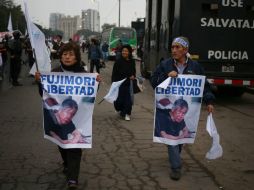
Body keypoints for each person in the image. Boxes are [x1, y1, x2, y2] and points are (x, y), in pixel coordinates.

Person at [35, 42, 101, 189]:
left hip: (78, 119)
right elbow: (44, 95)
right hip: (59, 121)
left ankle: (73, 179)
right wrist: (40, 82)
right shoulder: (54, 72)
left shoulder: (84, 75)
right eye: (65, 54)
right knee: (63, 145)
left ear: (76, 57)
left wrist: (97, 83)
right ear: (61, 56)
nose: (67, 57)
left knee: (75, 146)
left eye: (71, 54)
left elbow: (91, 95)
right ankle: (66, 163)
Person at [150, 36, 215, 181]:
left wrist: (209, 101)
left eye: (177, 47)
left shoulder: (195, 67)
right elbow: (153, 81)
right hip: (169, 113)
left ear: (185, 50)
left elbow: (204, 86)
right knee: (171, 140)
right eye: (172, 47)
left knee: (180, 138)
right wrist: (166, 77)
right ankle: (176, 167)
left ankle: (175, 157)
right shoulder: (165, 65)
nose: (174, 50)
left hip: (184, 112)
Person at [111, 44, 136, 121]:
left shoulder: (132, 61)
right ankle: (121, 110)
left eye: (126, 51)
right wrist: (113, 84)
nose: (124, 52)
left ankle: (127, 114)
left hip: (128, 84)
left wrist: (133, 76)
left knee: (128, 100)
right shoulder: (118, 61)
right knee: (119, 101)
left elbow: (134, 71)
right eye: (123, 51)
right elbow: (114, 73)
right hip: (119, 84)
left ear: (129, 52)